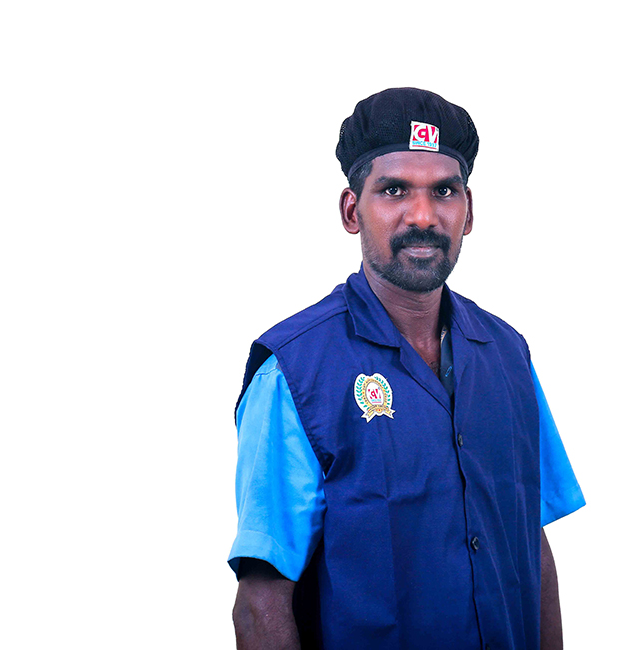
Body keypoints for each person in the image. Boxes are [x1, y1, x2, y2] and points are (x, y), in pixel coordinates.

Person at [229, 88, 585, 650]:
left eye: (444, 191)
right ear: (352, 211)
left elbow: (530, 543)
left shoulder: (508, 356)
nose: (423, 216)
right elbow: (260, 603)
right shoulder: (295, 372)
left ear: (468, 212)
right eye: (394, 190)